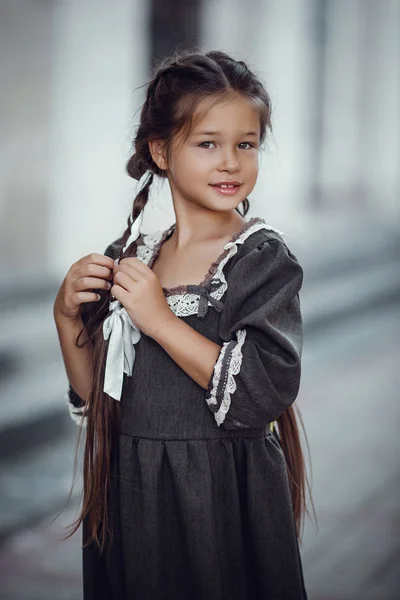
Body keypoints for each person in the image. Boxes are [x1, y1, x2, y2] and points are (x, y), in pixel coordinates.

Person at [53, 48, 313, 600]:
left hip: (218, 496)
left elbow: (258, 392)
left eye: (246, 144)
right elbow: (99, 397)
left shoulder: (259, 260)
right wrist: (65, 316)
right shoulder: (133, 258)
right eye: (207, 143)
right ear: (160, 151)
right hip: (131, 491)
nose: (231, 163)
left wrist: (160, 318)